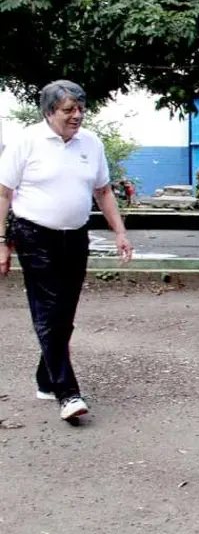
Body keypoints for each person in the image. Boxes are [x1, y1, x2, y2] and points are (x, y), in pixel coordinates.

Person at [0, 80, 133, 422]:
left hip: (74, 237)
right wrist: (2, 242)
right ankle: (67, 392)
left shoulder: (91, 142)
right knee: (49, 313)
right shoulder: (26, 141)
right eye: (68, 110)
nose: (76, 116)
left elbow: (103, 191)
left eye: (80, 109)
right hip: (33, 235)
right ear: (48, 112)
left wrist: (120, 232)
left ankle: (46, 377)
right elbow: (3, 194)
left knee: (65, 314)